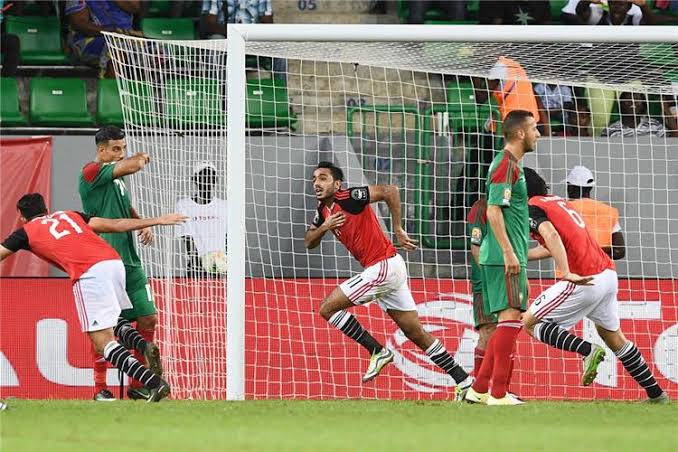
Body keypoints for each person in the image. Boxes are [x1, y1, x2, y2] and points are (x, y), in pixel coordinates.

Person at [0, 194, 188, 402]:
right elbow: (115, 224)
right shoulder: (70, 215)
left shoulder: (25, 232)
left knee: (102, 342)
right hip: (113, 263)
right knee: (113, 321)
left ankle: (154, 383)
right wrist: (157, 220)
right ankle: (143, 346)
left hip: (89, 272)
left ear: (22, 217)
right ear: (46, 209)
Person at [305, 161, 473, 394]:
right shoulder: (322, 211)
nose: (316, 183)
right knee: (414, 332)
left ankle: (377, 351)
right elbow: (309, 242)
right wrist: (325, 227)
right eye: (314, 179)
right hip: (388, 269)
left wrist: (397, 228)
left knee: (327, 308)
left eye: (323, 178)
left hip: (383, 266)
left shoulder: (349, 197)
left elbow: (389, 191)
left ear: (337, 184)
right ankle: (464, 382)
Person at [522, 168, 669, 403]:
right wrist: (519, 257)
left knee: (530, 322)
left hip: (584, 277)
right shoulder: (558, 202)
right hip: (607, 274)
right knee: (615, 338)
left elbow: (552, 237)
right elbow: (555, 244)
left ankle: (587, 350)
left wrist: (566, 272)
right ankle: (657, 394)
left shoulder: (533, 207)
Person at [463, 110, 540, 406]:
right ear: (520, 133)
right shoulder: (505, 164)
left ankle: (480, 389)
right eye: (533, 128)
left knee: (508, 321)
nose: (537, 134)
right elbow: (494, 210)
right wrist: (509, 252)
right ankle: (497, 393)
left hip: (507, 255)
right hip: (502, 256)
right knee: (508, 321)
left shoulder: (511, 165)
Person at [79, 125, 157, 401]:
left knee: (148, 318)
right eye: (115, 149)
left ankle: (138, 384)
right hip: (104, 260)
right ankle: (100, 387)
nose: (120, 153)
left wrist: (141, 222)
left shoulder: (117, 179)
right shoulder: (90, 172)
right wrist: (140, 157)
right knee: (106, 328)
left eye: (123, 148)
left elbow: (124, 204)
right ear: (101, 150)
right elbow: (133, 165)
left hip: (130, 261)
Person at [175, 161, 227, 277]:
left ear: (215, 180)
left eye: (211, 177)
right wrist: (200, 263)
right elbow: (187, 237)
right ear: (194, 179)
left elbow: (228, 236)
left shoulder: (224, 206)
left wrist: (225, 262)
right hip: (196, 268)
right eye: (203, 176)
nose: (207, 180)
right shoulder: (183, 205)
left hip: (221, 266)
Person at [65, 0, 142, 78]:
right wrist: (112, 32)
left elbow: (135, 7)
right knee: (117, 49)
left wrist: (121, 34)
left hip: (126, 37)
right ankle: (111, 85)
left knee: (149, 49)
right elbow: (79, 24)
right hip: (90, 39)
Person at [466, 197, 498, 378]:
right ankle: (479, 385)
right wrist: (488, 278)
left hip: (508, 280)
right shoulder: (481, 208)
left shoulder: (514, 206)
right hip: (485, 283)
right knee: (489, 330)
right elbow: (475, 246)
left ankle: (501, 386)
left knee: (507, 331)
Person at [566, 165, 626, 260]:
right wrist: (596, 259)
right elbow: (620, 251)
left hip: (571, 267)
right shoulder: (608, 212)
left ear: (570, 187)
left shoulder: (563, 208)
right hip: (603, 268)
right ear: (590, 188)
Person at [472, 57, 542, 135]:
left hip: (510, 119)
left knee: (487, 136)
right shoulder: (513, 64)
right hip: (530, 119)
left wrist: (474, 74)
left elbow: (480, 99)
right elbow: (536, 95)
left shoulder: (498, 68)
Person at [602, 92, 666, 138]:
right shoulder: (610, 130)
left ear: (643, 105)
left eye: (637, 100)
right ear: (621, 105)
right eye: (628, 100)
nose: (632, 103)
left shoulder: (655, 125)